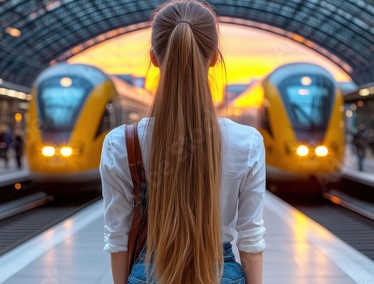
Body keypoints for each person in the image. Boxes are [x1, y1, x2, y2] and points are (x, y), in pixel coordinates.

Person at [100, 1, 265, 284]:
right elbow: (250, 241)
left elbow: (118, 238)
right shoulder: (248, 142)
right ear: (214, 57)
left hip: (149, 271)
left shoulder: (120, 144)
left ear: (154, 57)